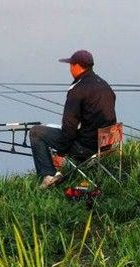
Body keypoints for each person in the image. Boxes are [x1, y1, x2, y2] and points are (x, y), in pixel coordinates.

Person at [28, 49, 117, 189]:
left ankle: (49, 175)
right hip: (106, 144)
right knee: (63, 131)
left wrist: (60, 153)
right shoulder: (104, 85)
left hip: (86, 148)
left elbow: (69, 127)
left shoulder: (77, 90)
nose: (69, 69)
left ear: (76, 66)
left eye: (70, 65)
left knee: (36, 132)